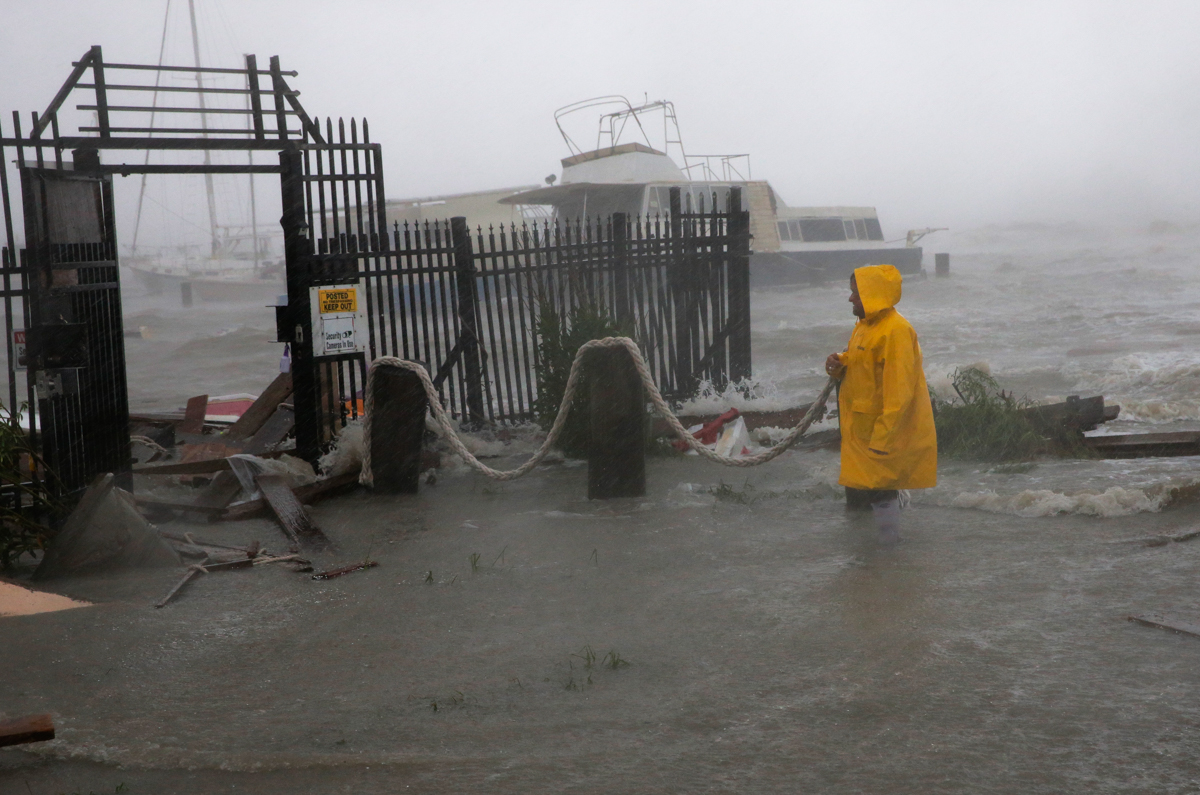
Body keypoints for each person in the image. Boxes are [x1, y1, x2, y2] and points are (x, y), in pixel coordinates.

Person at [824, 264, 937, 543]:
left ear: (872, 295)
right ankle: (866, 560)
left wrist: (883, 440)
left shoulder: (896, 331)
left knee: (882, 499)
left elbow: (900, 393)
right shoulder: (864, 326)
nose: (851, 299)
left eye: (855, 293)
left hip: (877, 436)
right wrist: (838, 364)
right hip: (859, 434)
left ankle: (889, 559)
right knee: (860, 504)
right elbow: (861, 363)